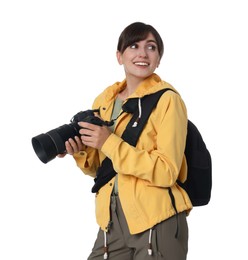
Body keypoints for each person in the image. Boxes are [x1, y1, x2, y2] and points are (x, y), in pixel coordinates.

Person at [59, 22, 193, 260]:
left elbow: (167, 170)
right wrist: (80, 152)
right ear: (119, 56)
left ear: (159, 59)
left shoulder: (168, 100)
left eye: (151, 47)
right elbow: (103, 169)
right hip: (110, 220)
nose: (142, 53)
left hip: (156, 217)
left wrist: (108, 142)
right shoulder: (105, 101)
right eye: (134, 46)